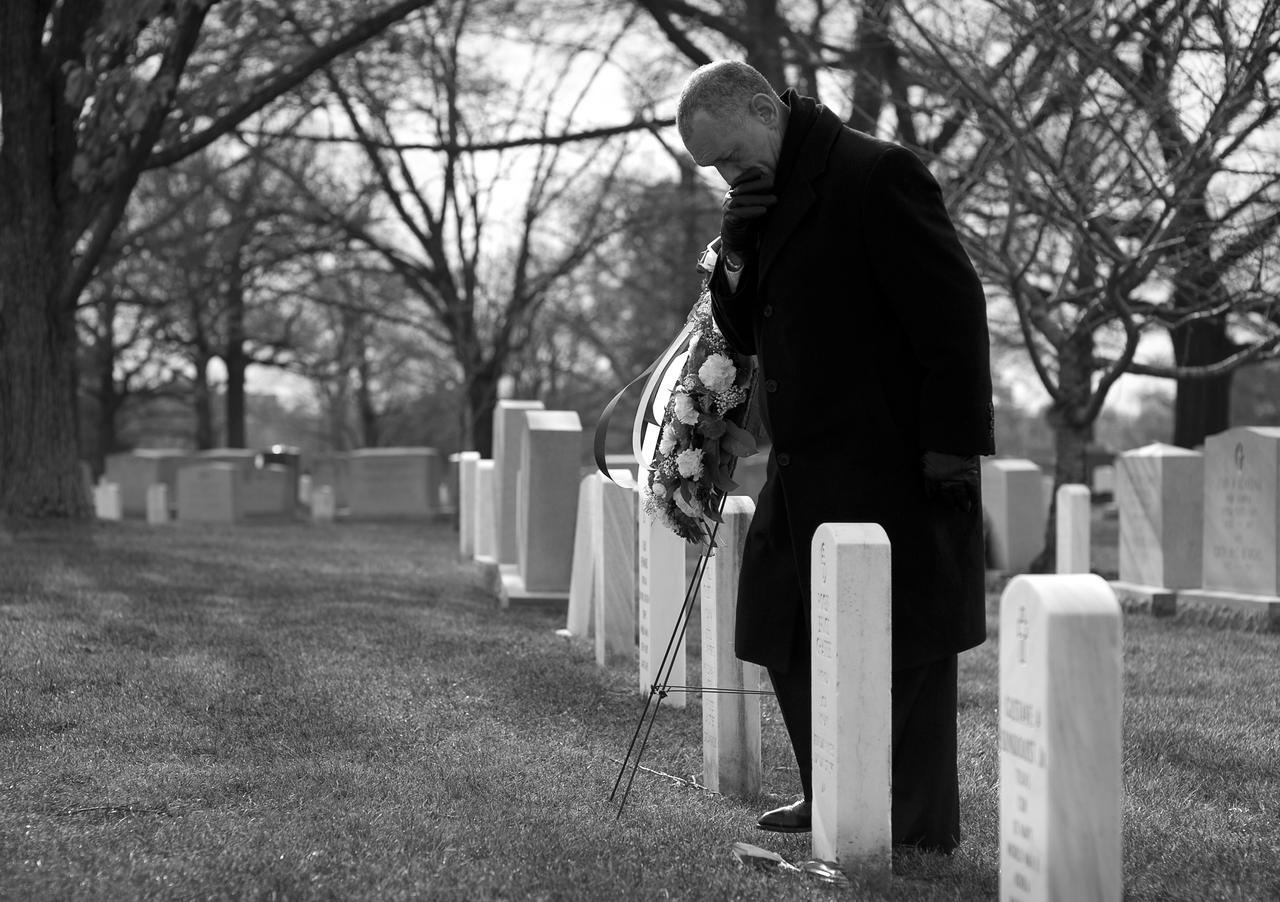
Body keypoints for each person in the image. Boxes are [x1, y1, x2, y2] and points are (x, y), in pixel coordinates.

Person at [676, 60, 994, 852]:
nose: (726, 173)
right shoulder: (760, 198)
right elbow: (745, 334)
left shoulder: (875, 173)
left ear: (763, 105)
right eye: (711, 167)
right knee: (778, 623)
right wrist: (738, 245)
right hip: (808, 462)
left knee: (908, 642)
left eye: (728, 153)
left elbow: (953, 319)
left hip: (894, 459)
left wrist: (950, 456)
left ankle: (916, 824)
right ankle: (834, 792)